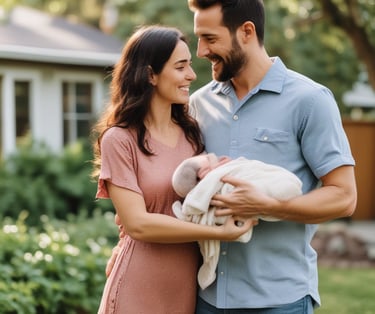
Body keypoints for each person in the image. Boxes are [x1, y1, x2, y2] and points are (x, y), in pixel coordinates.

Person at [186, 0, 357, 313]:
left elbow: (344, 197)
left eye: (210, 39)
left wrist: (270, 206)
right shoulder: (199, 104)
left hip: (279, 301)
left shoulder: (310, 100)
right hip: (207, 298)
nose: (200, 51)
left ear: (247, 32)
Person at [91, 25, 255, 314]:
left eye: (190, 65)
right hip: (138, 284)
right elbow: (137, 224)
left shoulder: (193, 133)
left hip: (185, 288)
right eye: (181, 67)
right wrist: (220, 234)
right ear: (150, 74)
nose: (191, 75)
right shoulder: (120, 139)